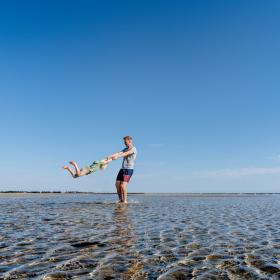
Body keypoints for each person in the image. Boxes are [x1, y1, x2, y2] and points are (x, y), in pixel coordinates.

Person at [106, 136, 137, 204]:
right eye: (124, 142)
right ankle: (120, 200)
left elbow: (125, 154)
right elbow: (119, 153)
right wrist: (110, 156)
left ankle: (125, 201)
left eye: (125, 142)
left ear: (130, 141)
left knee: (123, 185)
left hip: (129, 170)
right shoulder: (125, 149)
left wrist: (117, 157)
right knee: (117, 184)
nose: (125, 144)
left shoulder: (133, 149)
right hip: (122, 169)